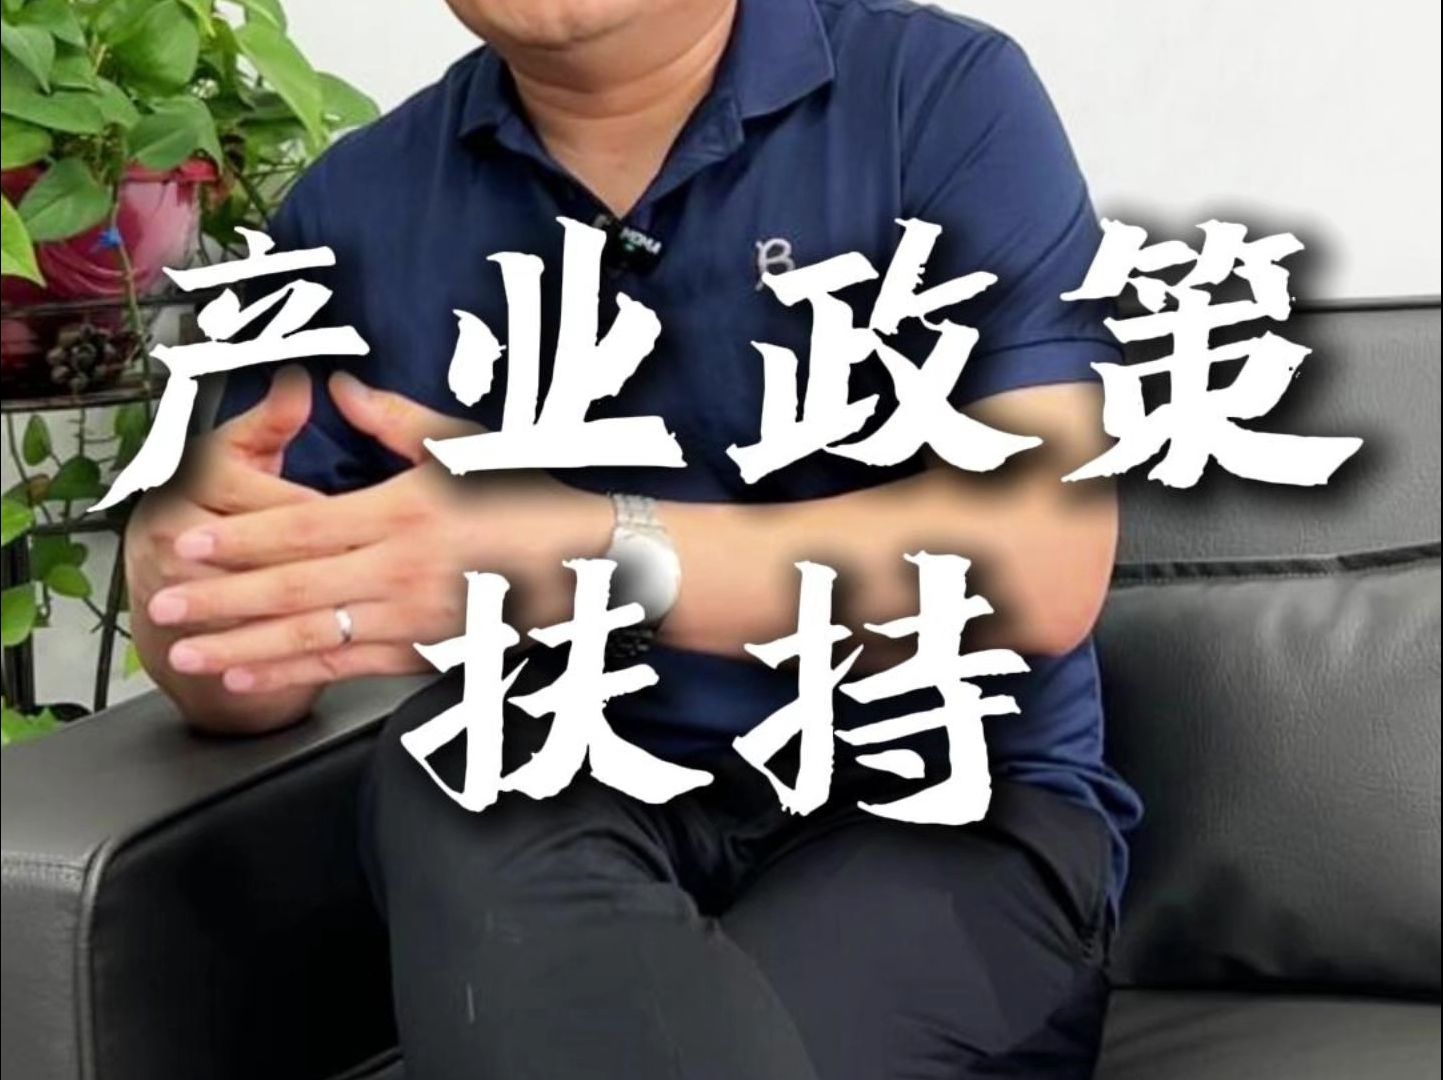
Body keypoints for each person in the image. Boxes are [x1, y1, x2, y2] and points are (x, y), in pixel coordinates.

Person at [125, 0, 1142, 1075]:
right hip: (564, 791)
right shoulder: (360, 205)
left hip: (934, 801)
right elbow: (251, 651)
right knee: (448, 762)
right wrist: (186, 585)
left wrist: (577, 561)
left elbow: (1039, 561)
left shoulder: (933, 95)